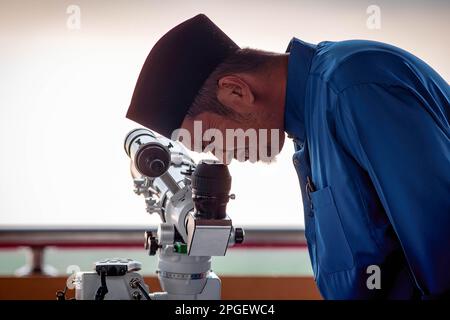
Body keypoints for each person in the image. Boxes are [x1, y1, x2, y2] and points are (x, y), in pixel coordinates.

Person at [126, 14, 450, 299]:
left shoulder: (352, 87)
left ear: (236, 92)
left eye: (210, 140)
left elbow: (443, 253)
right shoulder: (308, 123)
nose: (223, 157)